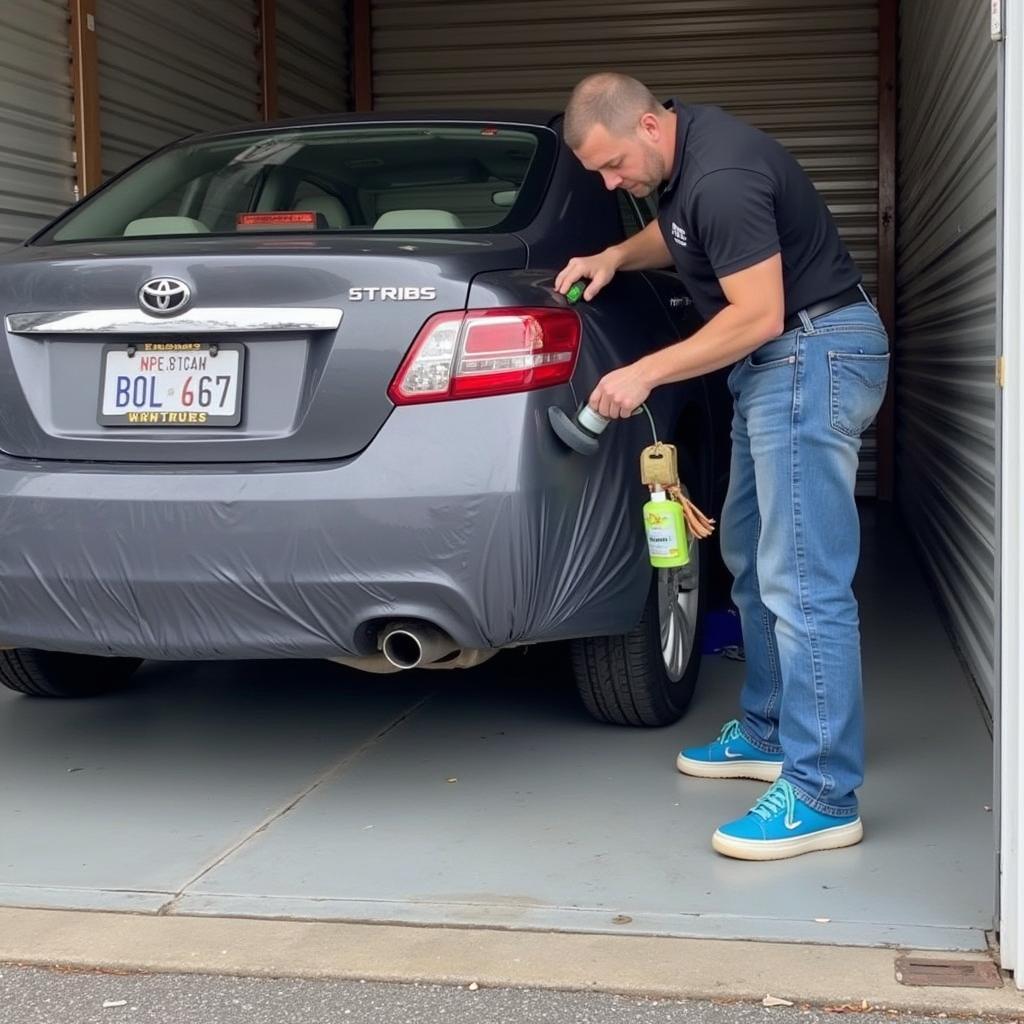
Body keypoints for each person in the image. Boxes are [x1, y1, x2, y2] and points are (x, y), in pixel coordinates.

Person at [555, 73, 889, 862]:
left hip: (809, 353)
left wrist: (646, 372)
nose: (610, 183)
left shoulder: (723, 174)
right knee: (745, 551)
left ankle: (822, 794)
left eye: (610, 166)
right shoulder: (683, 158)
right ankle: (772, 729)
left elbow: (757, 312)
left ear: (645, 124)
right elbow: (675, 232)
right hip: (776, 364)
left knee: (803, 579)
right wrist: (613, 255)